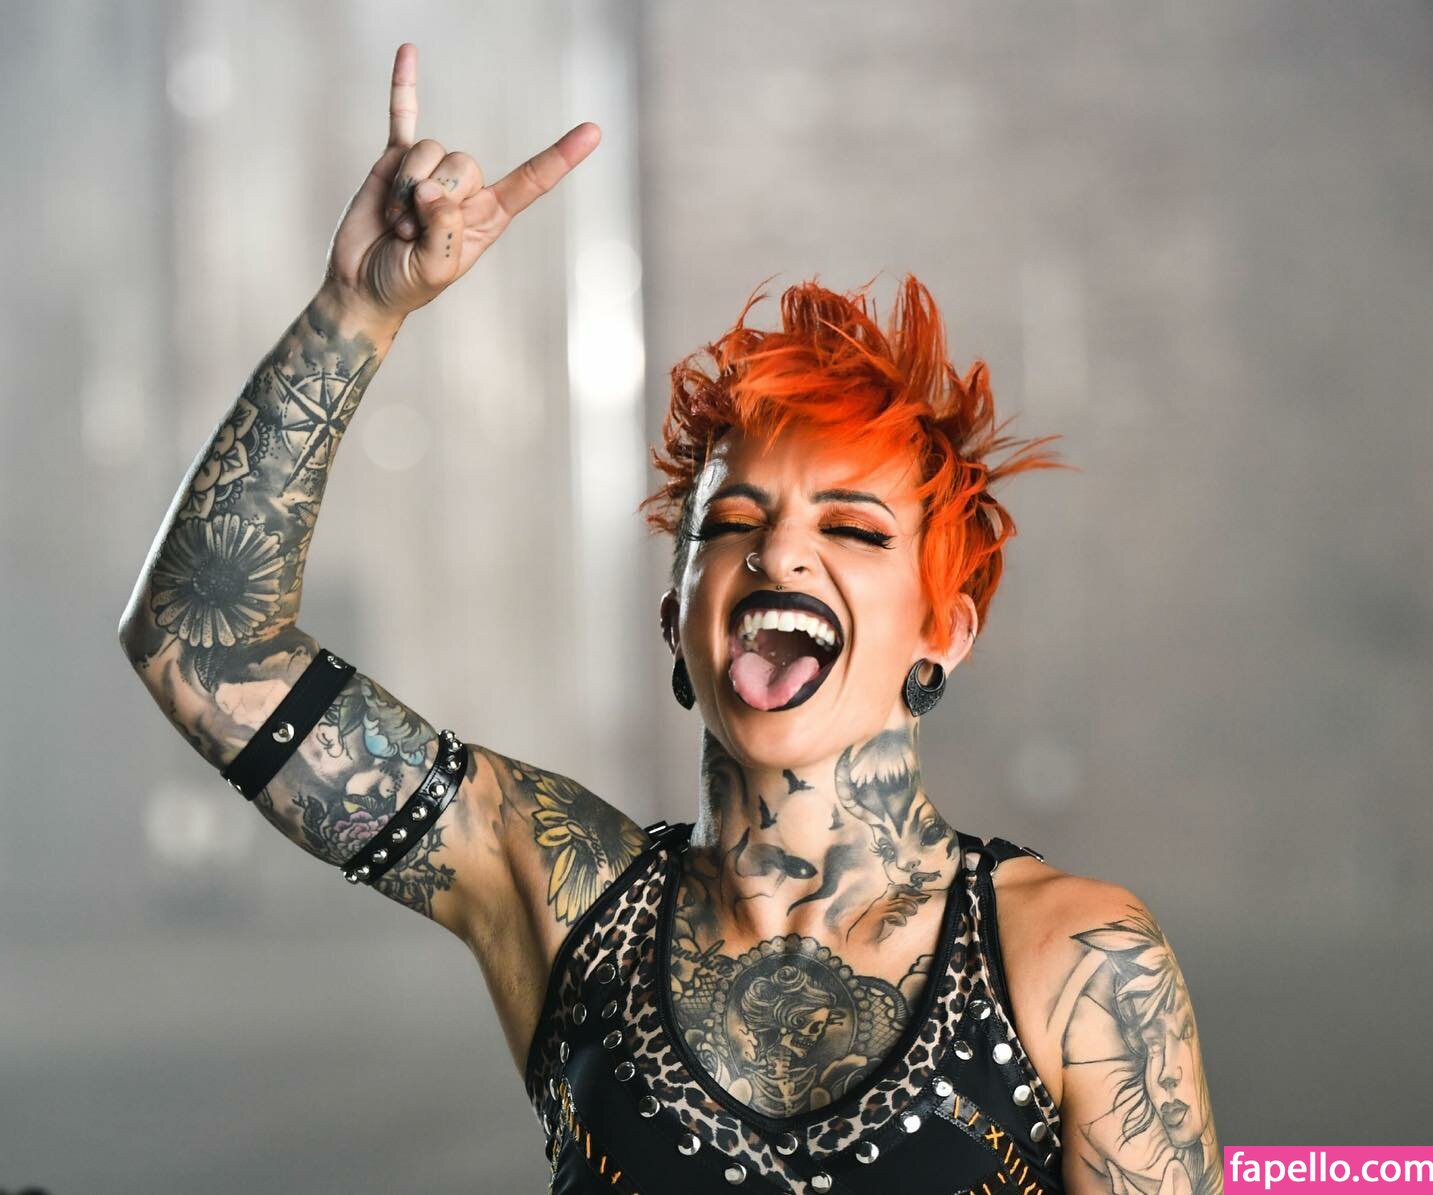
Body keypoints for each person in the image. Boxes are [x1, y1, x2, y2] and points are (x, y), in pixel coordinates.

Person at [118, 42, 1221, 1195]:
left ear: (945, 629)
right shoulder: (562, 892)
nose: (780, 551)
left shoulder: (1079, 962)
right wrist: (358, 309)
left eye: (851, 529)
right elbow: (200, 648)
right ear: (677, 619)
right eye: (734, 521)